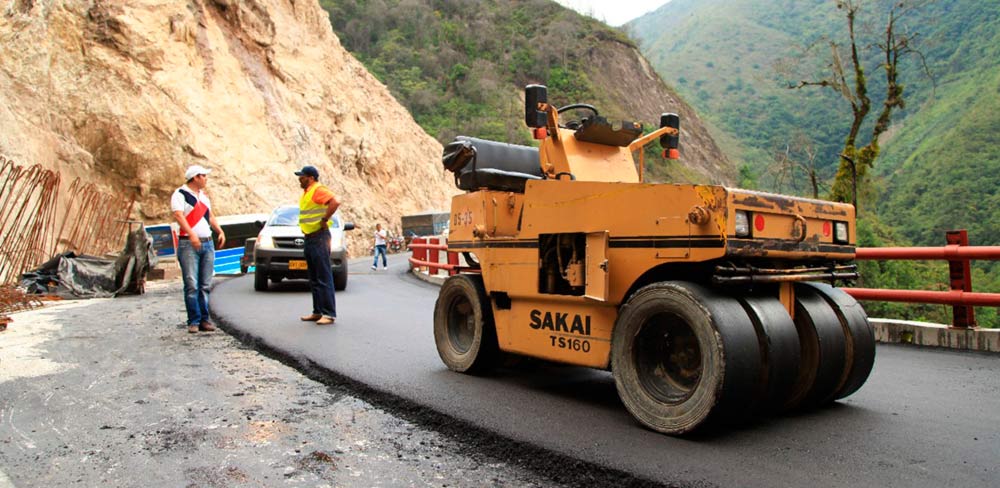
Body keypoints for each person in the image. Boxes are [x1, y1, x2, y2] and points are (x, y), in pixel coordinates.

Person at [171, 164, 225, 333]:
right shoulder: (180, 194)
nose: (205, 179)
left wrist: (219, 230)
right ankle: (193, 320)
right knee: (192, 283)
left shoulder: (203, 196)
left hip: (207, 242)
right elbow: (178, 215)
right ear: (195, 177)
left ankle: (205, 319)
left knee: (205, 284)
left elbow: (209, 215)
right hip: (188, 243)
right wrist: (191, 234)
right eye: (203, 176)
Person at [295, 165, 340, 326]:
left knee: (323, 276)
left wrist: (324, 220)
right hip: (310, 237)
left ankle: (328, 313)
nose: (299, 179)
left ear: (311, 178)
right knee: (314, 277)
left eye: (302, 176)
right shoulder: (307, 193)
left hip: (319, 237)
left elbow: (335, 201)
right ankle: (317, 311)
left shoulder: (318, 189)